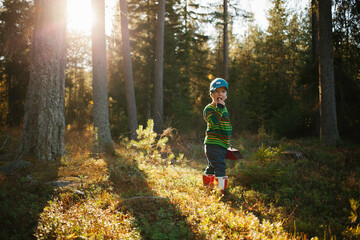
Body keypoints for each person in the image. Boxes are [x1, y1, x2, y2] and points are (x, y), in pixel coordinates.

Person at [203, 78, 232, 195]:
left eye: (223, 91)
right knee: (220, 165)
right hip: (213, 143)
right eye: (216, 91)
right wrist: (219, 107)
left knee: (212, 166)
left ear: (226, 95)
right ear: (211, 94)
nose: (220, 94)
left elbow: (224, 127)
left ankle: (208, 185)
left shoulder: (223, 108)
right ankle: (221, 192)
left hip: (221, 143)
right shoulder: (209, 108)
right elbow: (213, 121)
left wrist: (227, 141)